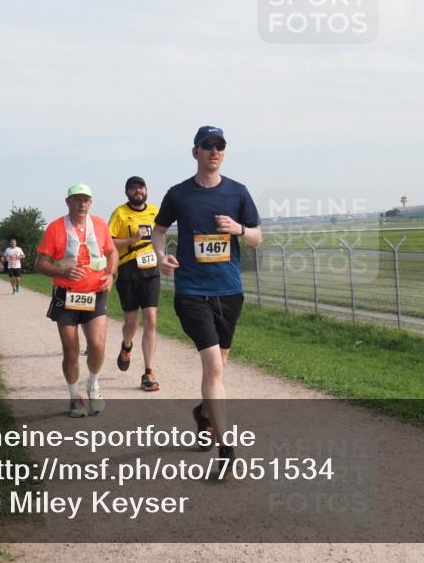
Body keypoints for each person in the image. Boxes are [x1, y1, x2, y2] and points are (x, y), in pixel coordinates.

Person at [153, 127, 261, 466]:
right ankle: (226, 447)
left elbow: (257, 237)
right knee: (213, 365)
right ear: (195, 152)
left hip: (229, 291)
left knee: (218, 368)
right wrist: (160, 256)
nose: (214, 150)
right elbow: (159, 230)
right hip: (191, 292)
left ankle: (203, 413)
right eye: (208, 145)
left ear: (224, 152)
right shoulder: (178, 194)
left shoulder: (238, 192)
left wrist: (239, 229)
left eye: (220, 145)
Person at [35, 184, 118, 418]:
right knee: (71, 351)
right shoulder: (55, 228)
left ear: (91, 202)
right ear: (68, 202)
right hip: (66, 295)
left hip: (95, 293)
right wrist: (62, 271)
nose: (82, 204)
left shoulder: (99, 224)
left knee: (98, 345)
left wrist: (111, 274)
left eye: (86, 200)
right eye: (77, 199)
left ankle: (93, 383)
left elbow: (112, 252)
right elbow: (39, 264)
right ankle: (74, 396)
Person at [108, 176, 161, 391]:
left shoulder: (155, 211)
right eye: (133, 188)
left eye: (141, 187)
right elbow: (109, 242)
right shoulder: (119, 213)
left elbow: (161, 235)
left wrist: (163, 256)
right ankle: (126, 345)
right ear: (126, 192)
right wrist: (131, 240)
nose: (138, 191)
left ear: (146, 189)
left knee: (151, 319)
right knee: (131, 322)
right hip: (128, 272)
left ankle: (148, 372)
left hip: (151, 271)